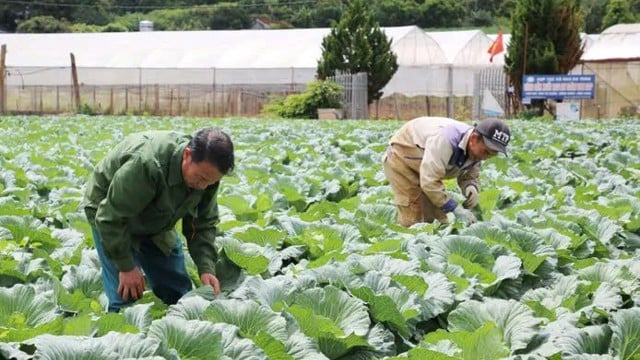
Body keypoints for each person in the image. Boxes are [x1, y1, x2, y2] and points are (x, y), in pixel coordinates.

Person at [82, 127, 234, 312]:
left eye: (209, 182)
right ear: (187, 154)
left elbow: (201, 225)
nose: (203, 186)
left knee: (178, 292)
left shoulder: (208, 178)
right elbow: (110, 218)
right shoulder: (147, 164)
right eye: (200, 178)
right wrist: (126, 267)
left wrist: (206, 268)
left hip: (157, 220)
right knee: (124, 297)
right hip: (110, 215)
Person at [383, 117, 510, 227]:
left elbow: (470, 175)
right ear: (474, 138)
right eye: (486, 152)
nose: (486, 157)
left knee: (438, 218)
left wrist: (471, 186)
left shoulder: (477, 152)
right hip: (403, 157)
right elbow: (429, 181)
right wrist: (455, 208)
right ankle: (407, 249)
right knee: (413, 213)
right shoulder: (445, 139)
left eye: (492, 154)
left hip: (426, 165)